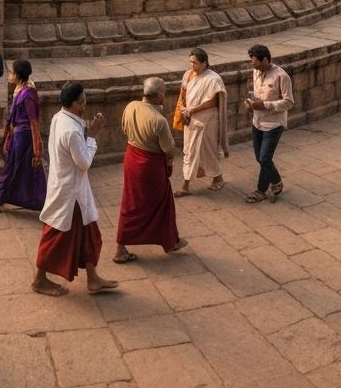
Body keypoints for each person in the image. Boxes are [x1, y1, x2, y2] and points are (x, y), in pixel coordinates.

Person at [32, 82, 117, 296]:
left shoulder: (60, 118)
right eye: (83, 100)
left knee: (89, 235)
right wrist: (94, 136)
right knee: (56, 236)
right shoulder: (71, 131)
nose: (86, 103)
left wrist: (87, 133)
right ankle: (39, 280)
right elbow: (84, 162)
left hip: (70, 187)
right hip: (70, 194)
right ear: (77, 104)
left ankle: (93, 278)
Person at [114, 77, 186, 262]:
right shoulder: (158, 120)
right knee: (163, 202)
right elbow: (169, 149)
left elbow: (123, 128)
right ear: (160, 95)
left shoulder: (131, 106)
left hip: (131, 157)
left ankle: (122, 248)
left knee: (130, 202)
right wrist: (170, 159)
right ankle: (170, 240)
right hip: (149, 164)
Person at [0, 58, 46, 213]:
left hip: (23, 138)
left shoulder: (28, 94)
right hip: (18, 135)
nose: (9, 74)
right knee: (21, 171)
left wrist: (37, 149)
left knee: (11, 169)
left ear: (17, 75)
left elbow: (34, 122)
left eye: (11, 72)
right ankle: (41, 202)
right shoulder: (20, 90)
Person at [173, 48, 228, 197]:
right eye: (190, 62)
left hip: (207, 120)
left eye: (195, 63)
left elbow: (212, 102)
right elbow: (183, 94)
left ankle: (217, 178)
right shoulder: (188, 75)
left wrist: (193, 110)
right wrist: (184, 111)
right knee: (189, 151)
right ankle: (187, 185)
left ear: (204, 63)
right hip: (191, 119)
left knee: (208, 150)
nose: (192, 65)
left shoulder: (213, 79)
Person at [243, 43, 294, 203]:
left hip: (274, 124)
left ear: (265, 59)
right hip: (257, 121)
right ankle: (276, 182)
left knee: (265, 158)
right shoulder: (256, 72)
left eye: (255, 61)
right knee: (260, 158)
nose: (253, 65)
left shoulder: (281, 76)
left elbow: (289, 102)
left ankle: (262, 189)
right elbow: (257, 94)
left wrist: (265, 105)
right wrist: (251, 103)